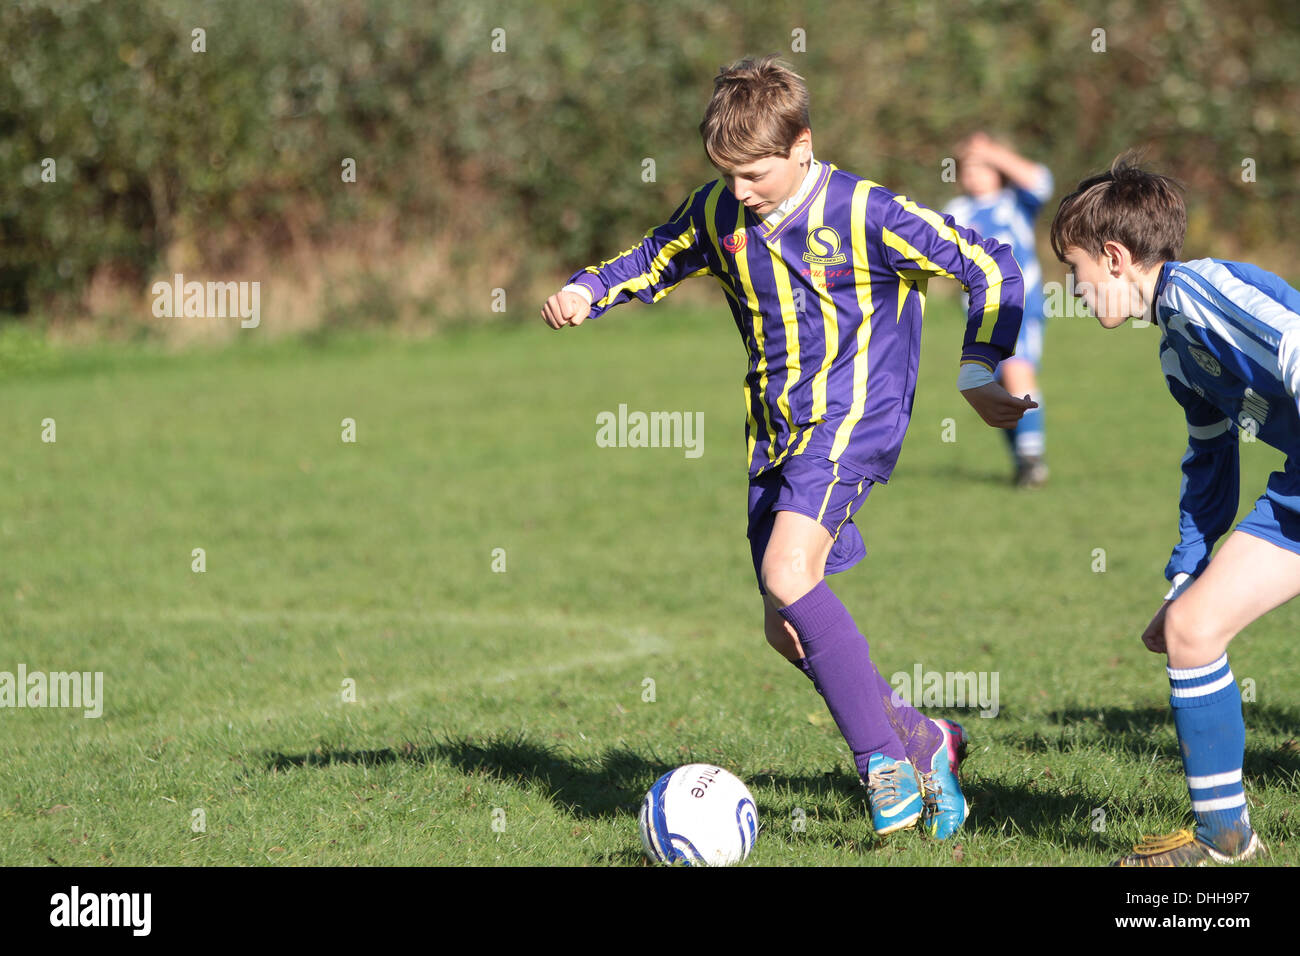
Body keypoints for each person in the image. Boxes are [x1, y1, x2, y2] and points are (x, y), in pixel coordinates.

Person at [541, 55, 1036, 840]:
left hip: (853, 420)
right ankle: (921, 735)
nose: (741, 191)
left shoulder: (865, 211)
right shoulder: (719, 213)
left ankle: (883, 768)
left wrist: (979, 369)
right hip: (774, 432)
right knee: (785, 625)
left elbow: (989, 263)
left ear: (804, 143)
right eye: (727, 173)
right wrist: (589, 289)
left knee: (786, 571)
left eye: (757, 173)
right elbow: (655, 257)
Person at [1050, 152, 1296, 865]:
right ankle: (1225, 839)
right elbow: (1210, 465)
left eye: (1076, 270)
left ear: (1116, 257)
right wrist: (1185, 577)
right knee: (1191, 630)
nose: (1074, 287)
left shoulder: (1205, 292)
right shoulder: (1178, 352)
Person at [944, 132, 1054, 487]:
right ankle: (1023, 461)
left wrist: (993, 150)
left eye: (983, 167)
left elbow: (1042, 181)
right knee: (993, 389)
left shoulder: (1015, 202)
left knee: (1018, 371)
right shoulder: (957, 212)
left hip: (1019, 306)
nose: (974, 174)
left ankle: (1032, 460)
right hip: (980, 315)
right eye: (968, 168)